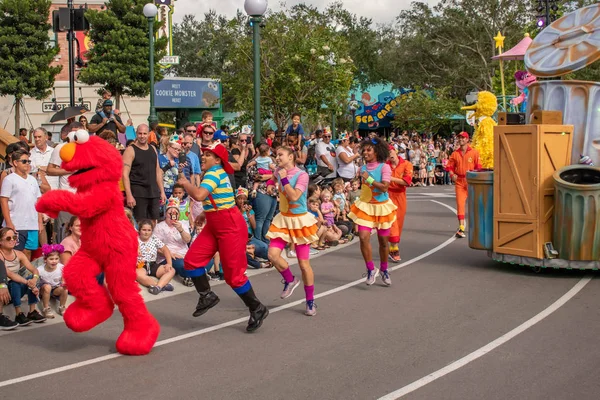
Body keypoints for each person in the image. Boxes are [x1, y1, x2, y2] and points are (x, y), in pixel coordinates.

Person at [177, 143, 269, 332]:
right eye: (203, 154)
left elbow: (201, 194)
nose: (203, 157)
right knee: (192, 261)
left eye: (208, 155)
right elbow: (218, 198)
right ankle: (206, 295)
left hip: (230, 227)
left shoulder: (213, 173)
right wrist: (205, 213)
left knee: (234, 277)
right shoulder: (215, 172)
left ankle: (257, 308)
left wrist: (185, 183)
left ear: (217, 160)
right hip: (216, 222)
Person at [266, 146, 319, 316]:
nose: (277, 157)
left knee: (304, 265)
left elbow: (295, 196)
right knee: (272, 255)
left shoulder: (301, 175)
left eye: (280, 154)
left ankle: (310, 301)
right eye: (276, 154)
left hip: (299, 221)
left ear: (291, 157)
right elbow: (272, 180)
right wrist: (269, 184)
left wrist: (283, 180)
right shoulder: (279, 172)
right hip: (283, 219)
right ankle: (290, 279)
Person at [348, 137, 397, 286]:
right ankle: (370, 269)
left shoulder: (384, 167)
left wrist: (368, 180)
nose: (365, 152)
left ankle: (384, 269)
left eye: (369, 150)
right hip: (366, 207)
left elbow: (384, 187)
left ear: (377, 151)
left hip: (381, 207)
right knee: (363, 237)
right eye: (364, 149)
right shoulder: (362, 168)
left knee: (383, 242)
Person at [0, 149, 42, 260]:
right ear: (15, 163)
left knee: (28, 253)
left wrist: (40, 222)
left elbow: (38, 202)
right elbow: (3, 200)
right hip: (16, 223)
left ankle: (25, 276)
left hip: (32, 224)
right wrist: (9, 222)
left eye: (28, 161)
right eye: (24, 161)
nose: (27, 164)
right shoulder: (9, 179)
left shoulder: (33, 180)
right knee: (14, 253)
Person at [0, 227, 46, 325]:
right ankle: (18, 314)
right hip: (5, 287)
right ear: (0, 241)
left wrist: (34, 279)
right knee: (15, 281)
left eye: (14, 237)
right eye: (8, 238)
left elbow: (34, 269)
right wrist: (28, 283)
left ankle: (32, 312)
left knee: (34, 278)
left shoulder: (19, 254)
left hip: (15, 288)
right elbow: (10, 274)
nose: (12, 240)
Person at [122, 124, 166, 222]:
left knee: (154, 222)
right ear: (136, 134)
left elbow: (158, 171)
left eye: (145, 133)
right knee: (141, 223)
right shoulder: (130, 150)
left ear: (148, 134)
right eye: (140, 133)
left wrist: (162, 191)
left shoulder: (153, 149)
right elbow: (124, 175)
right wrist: (129, 195)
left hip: (153, 192)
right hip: (138, 193)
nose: (142, 136)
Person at [446, 132, 481, 238]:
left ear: (467, 140)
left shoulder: (474, 152)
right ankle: (461, 227)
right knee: (460, 204)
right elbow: (450, 167)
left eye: (463, 138)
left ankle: (477, 227)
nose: (460, 139)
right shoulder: (455, 154)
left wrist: (475, 177)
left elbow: (479, 167)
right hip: (460, 182)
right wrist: (452, 174)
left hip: (471, 181)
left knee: (475, 205)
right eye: (459, 138)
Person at [154, 197, 193, 287]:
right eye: (170, 213)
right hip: (168, 256)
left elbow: (188, 240)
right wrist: (170, 254)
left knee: (207, 260)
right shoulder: (159, 226)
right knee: (181, 263)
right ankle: (192, 276)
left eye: (175, 213)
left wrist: (181, 230)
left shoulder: (182, 224)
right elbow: (156, 246)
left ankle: (192, 275)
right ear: (166, 214)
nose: (172, 215)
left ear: (178, 215)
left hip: (184, 253)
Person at [387, 146, 413, 262]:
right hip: (388, 195)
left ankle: (393, 245)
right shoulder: (385, 166)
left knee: (399, 222)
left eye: (391, 151)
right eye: (387, 152)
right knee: (392, 221)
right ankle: (394, 249)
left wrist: (391, 178)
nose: (390, 154)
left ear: (395, 151)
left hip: (401, 196)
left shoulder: (406, 164)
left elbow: (407, 181)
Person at [136, 220, 175, 294]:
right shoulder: (135, 239)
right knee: (137, 274)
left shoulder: (154, 238)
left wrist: (169, 263)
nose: (146, 232)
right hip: (141, 265)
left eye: (149, 230)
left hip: (153, 264)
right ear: (139, 230)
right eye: (144, 230)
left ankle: (158, 287)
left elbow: (165, 249)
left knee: (171, 270)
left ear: (151, 231)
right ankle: (161, 286)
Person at [37, 244, 68, 318]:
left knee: (65, 289)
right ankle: (46, 308)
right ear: (45, 259)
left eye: (56, 259)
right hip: (43, 290)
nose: (54, 261)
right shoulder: (40, 270)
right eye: (51, 259)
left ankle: (62, 307)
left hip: (55, 289)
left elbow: (63, 279)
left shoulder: (61, 267)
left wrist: (64, 283)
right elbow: (36, 282)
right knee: (48, 287)